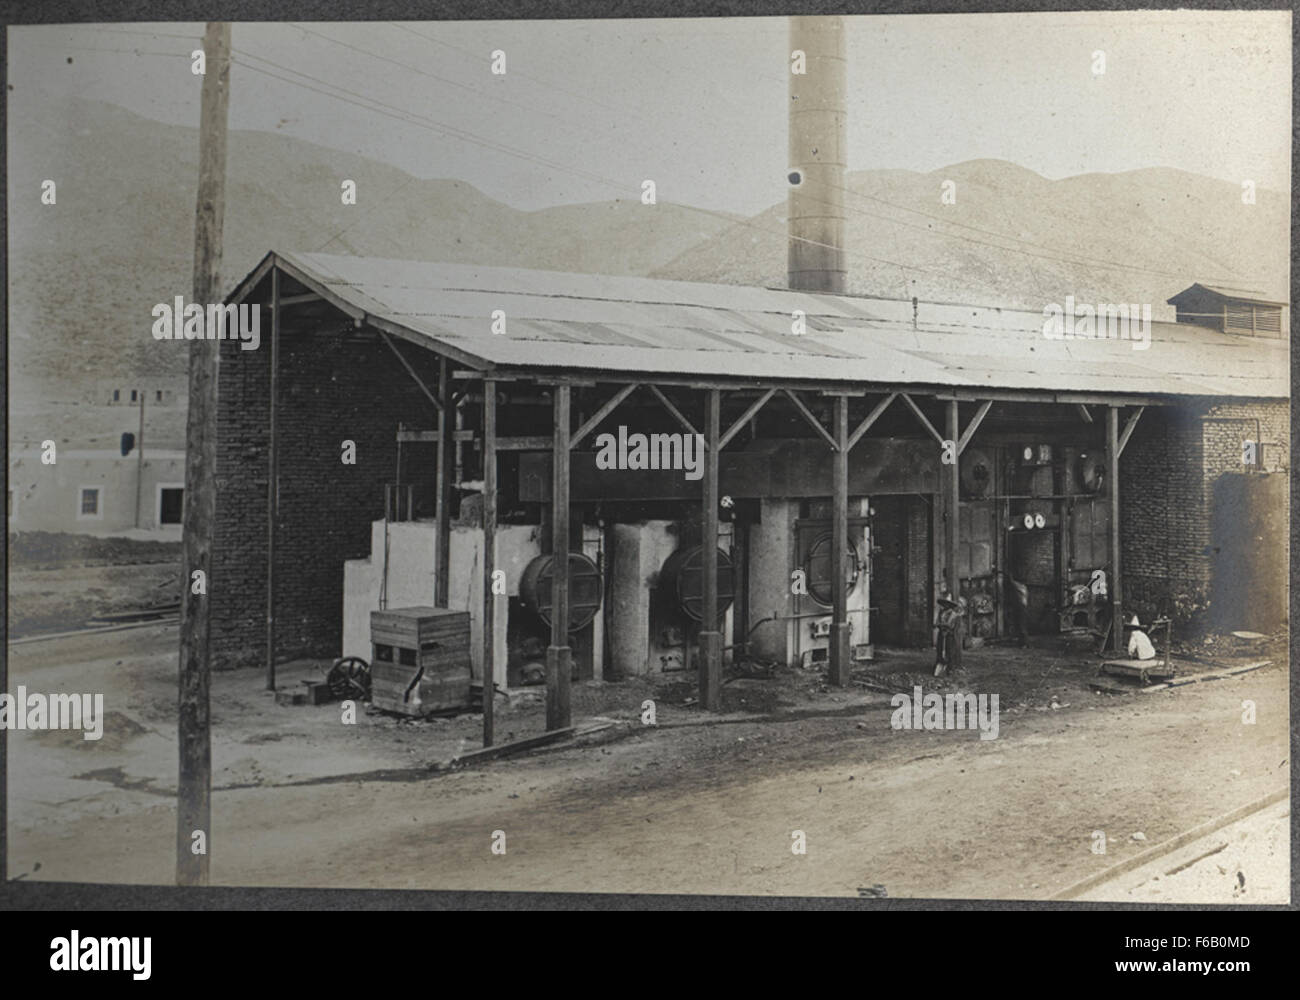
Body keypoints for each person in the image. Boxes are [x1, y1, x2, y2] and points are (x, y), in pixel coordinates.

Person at [934, 594, 966, 676]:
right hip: (942, 634)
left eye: (947, 604)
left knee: (950, 650)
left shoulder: (953, 614)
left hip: (950, 635)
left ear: (950, 605)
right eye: (944, 604)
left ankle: (951, 667)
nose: (945, 605)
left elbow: (951, 625)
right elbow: (937, 622)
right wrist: (939, 625)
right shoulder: (941, 613)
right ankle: (941, 664)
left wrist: (946, 627)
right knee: (941, 649)